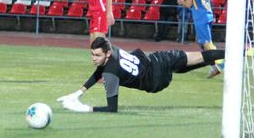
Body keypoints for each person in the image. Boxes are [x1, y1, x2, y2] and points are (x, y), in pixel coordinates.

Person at [57, 37, 226, 113]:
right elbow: (100, 70)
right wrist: (78, 92)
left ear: (107, 54)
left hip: (156, 76)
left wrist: (84, 108)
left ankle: (233, 54)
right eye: (92, 54)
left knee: (195, 59)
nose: (94, 59)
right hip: (156, 67)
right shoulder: (112, 50)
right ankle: (234, 54)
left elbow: (112, 109)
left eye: (97, 55)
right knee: (195, 57)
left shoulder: (110, 74)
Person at [178, 0, 222, 78]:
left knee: (207, 44)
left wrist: (181, 1)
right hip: (208, 14)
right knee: (201, 41)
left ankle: (225, 67)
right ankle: (214, 67)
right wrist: (204, 1)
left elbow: (188, 4)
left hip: (200, 17)